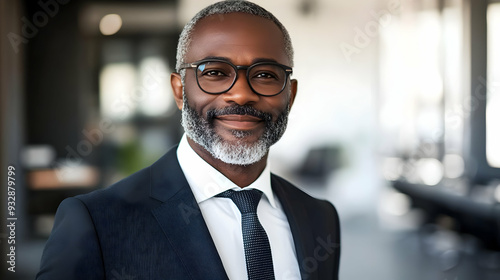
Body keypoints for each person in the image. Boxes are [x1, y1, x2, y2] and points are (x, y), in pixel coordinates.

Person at [36, 1, 341, 279]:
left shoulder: (319, 218)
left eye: (265, 75)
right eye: (216, 72)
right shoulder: (96, 223)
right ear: (180, 90)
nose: (242, 93)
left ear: (291, 95)